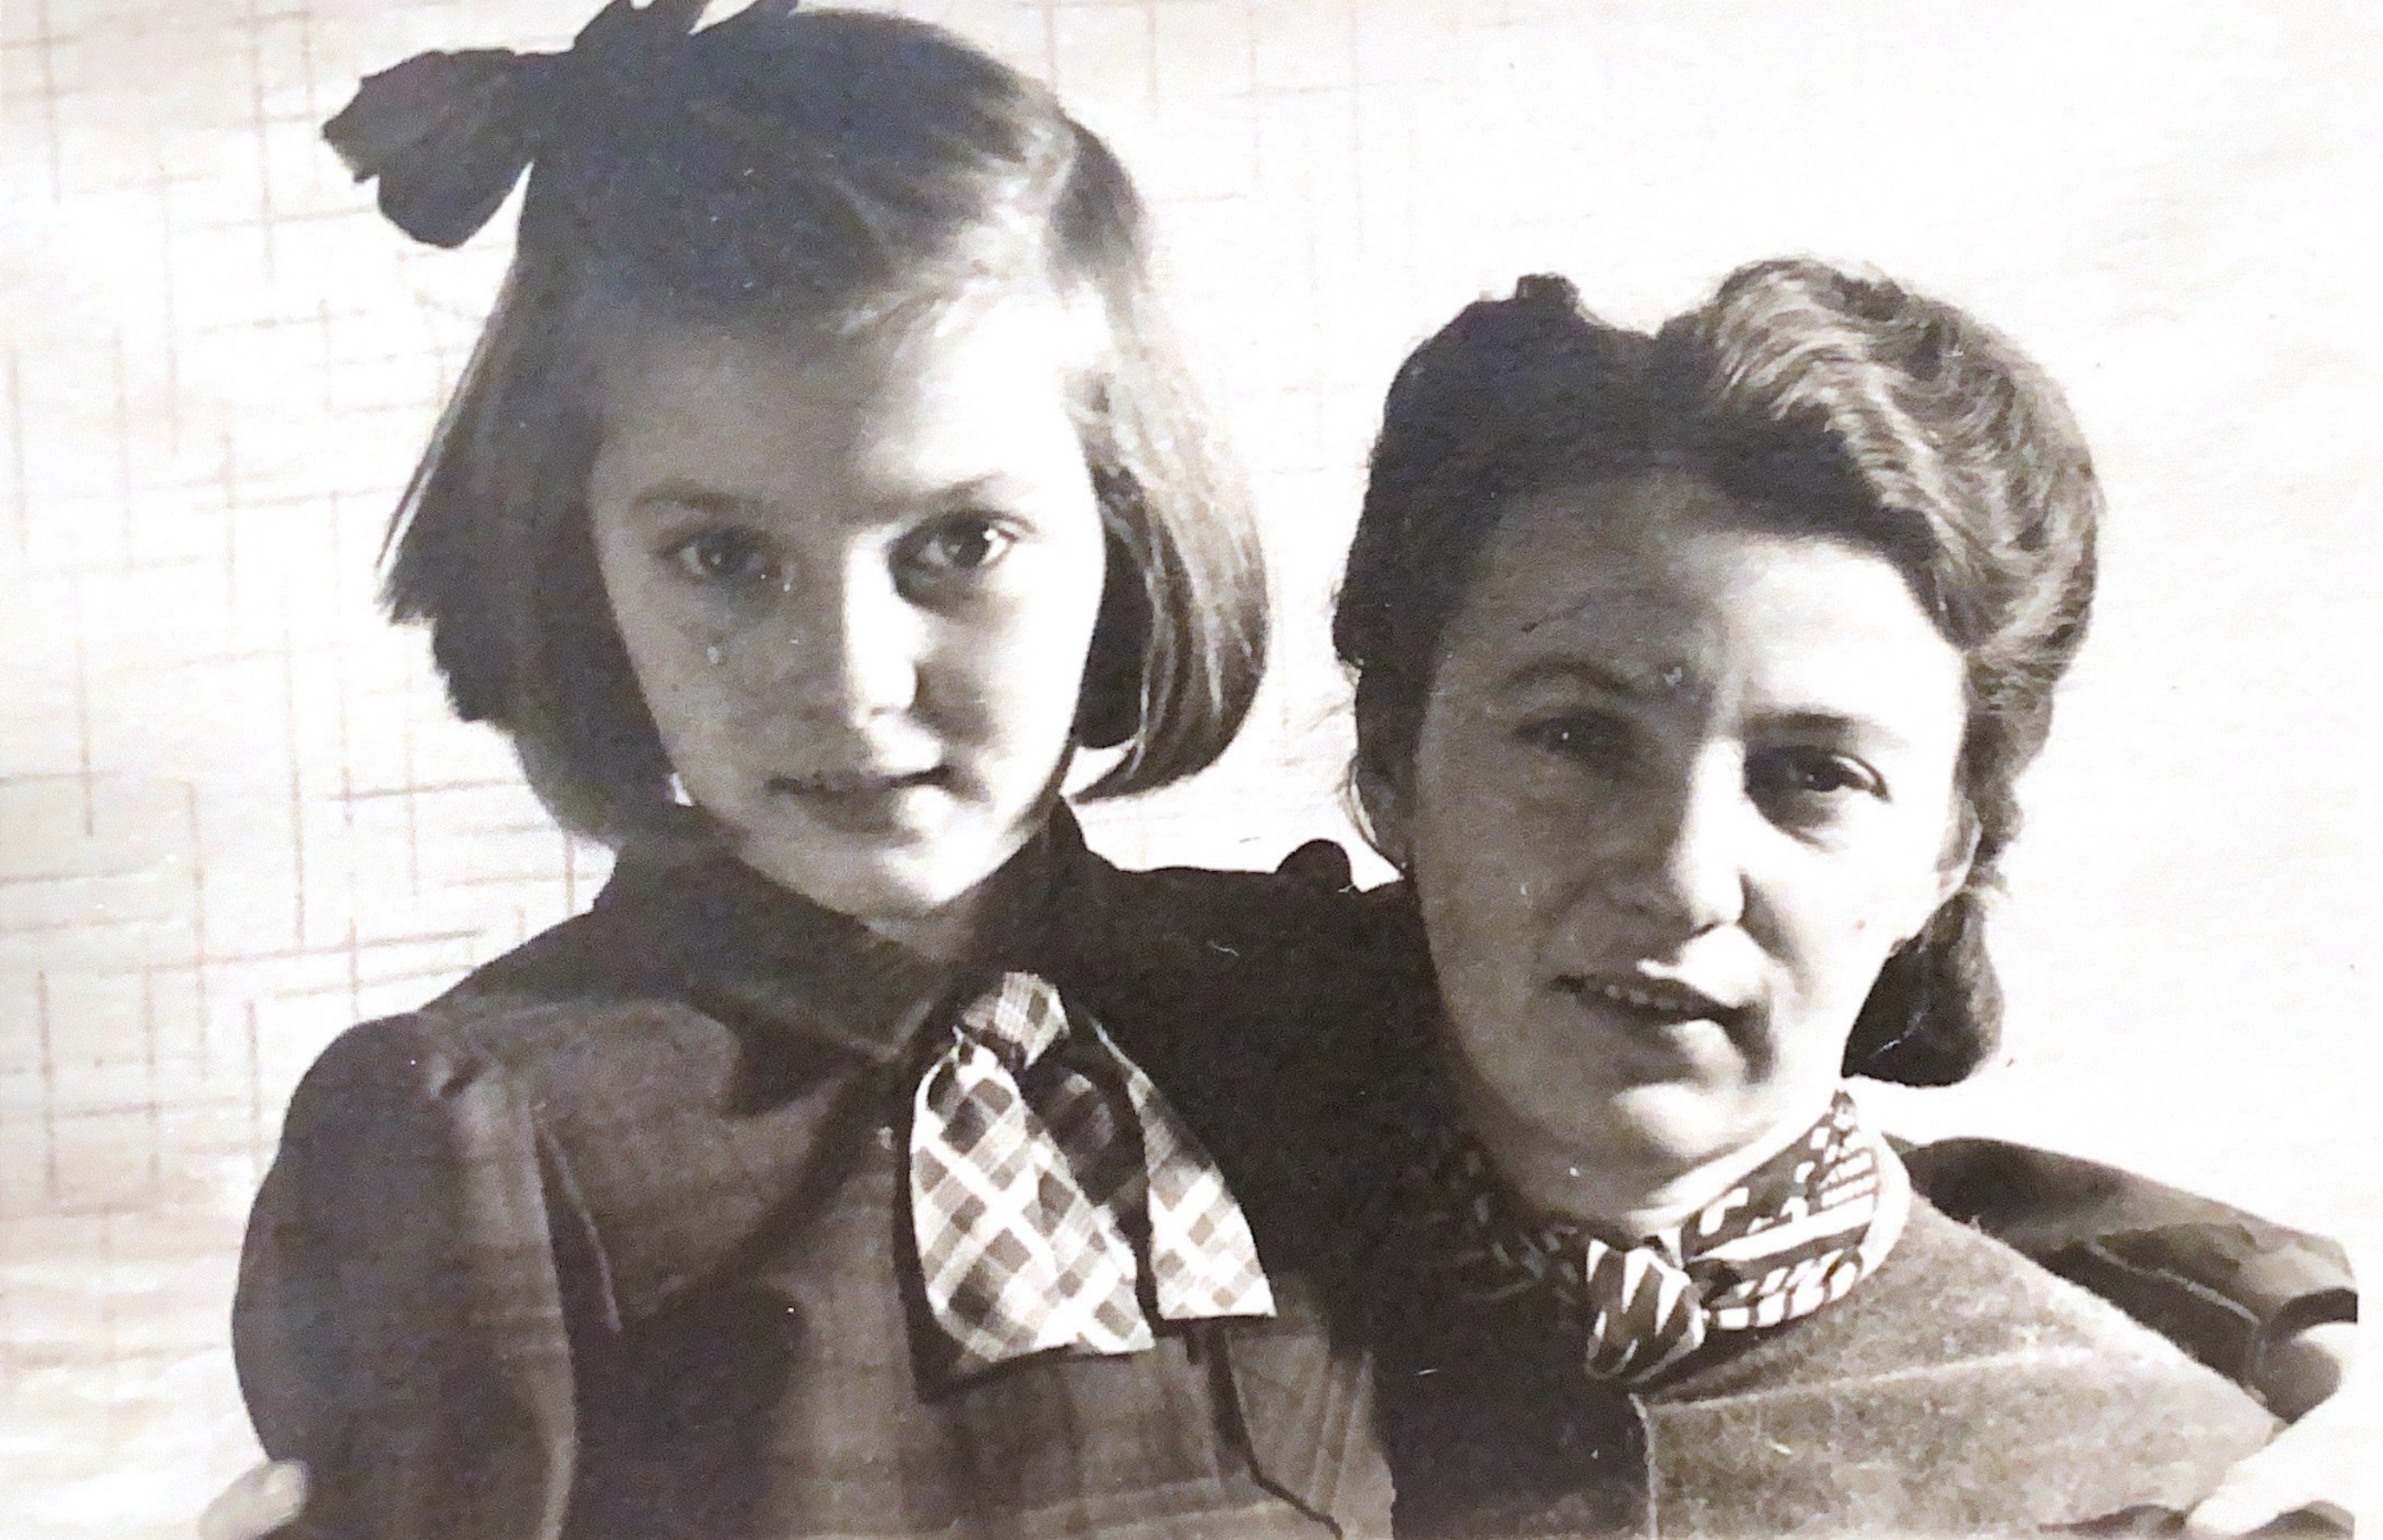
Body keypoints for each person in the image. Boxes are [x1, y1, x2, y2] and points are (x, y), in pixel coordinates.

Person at [213, 4, 2353, 1537]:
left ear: (1123, 527)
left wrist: (2296, 1322)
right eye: (721, 558)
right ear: (574, 558)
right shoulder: (483, 1129)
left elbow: (1773, 1170)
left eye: (958, 547)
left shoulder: (1263, 997)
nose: (849, 678)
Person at [1277, 261, 2351, 1534]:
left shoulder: (2168, 1486)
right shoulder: (1130, 1303)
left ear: (1946, 850)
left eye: (1813, 775)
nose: (1682, 876)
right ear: (1392, 764)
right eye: (1576, 737)